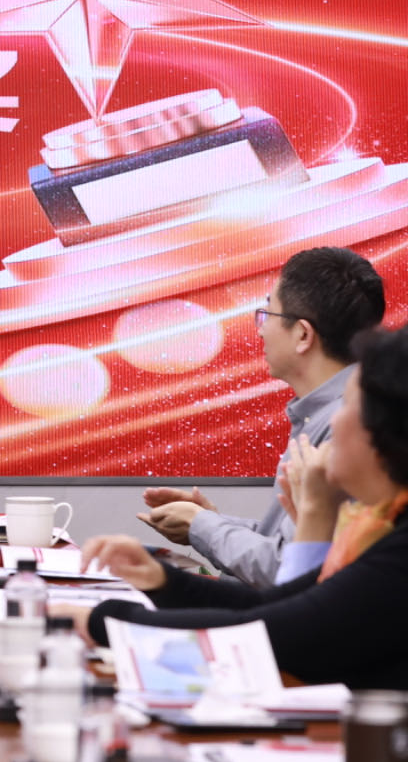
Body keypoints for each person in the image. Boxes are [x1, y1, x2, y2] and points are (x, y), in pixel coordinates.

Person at [82, 324, 408, 689]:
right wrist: (162, 581)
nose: (334, 421)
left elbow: (273, 634)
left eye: (348, 406)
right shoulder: (377, 525)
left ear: (385, 431)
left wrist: (101, 620)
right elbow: (277, 602)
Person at [136, 247, 384, 586]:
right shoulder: (330, 414)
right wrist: (208, 522)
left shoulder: (350, 427)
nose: (261, 330)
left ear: (303, 335)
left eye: (268, 314)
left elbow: (289, 570)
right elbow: (291, 544)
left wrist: (201, 525)